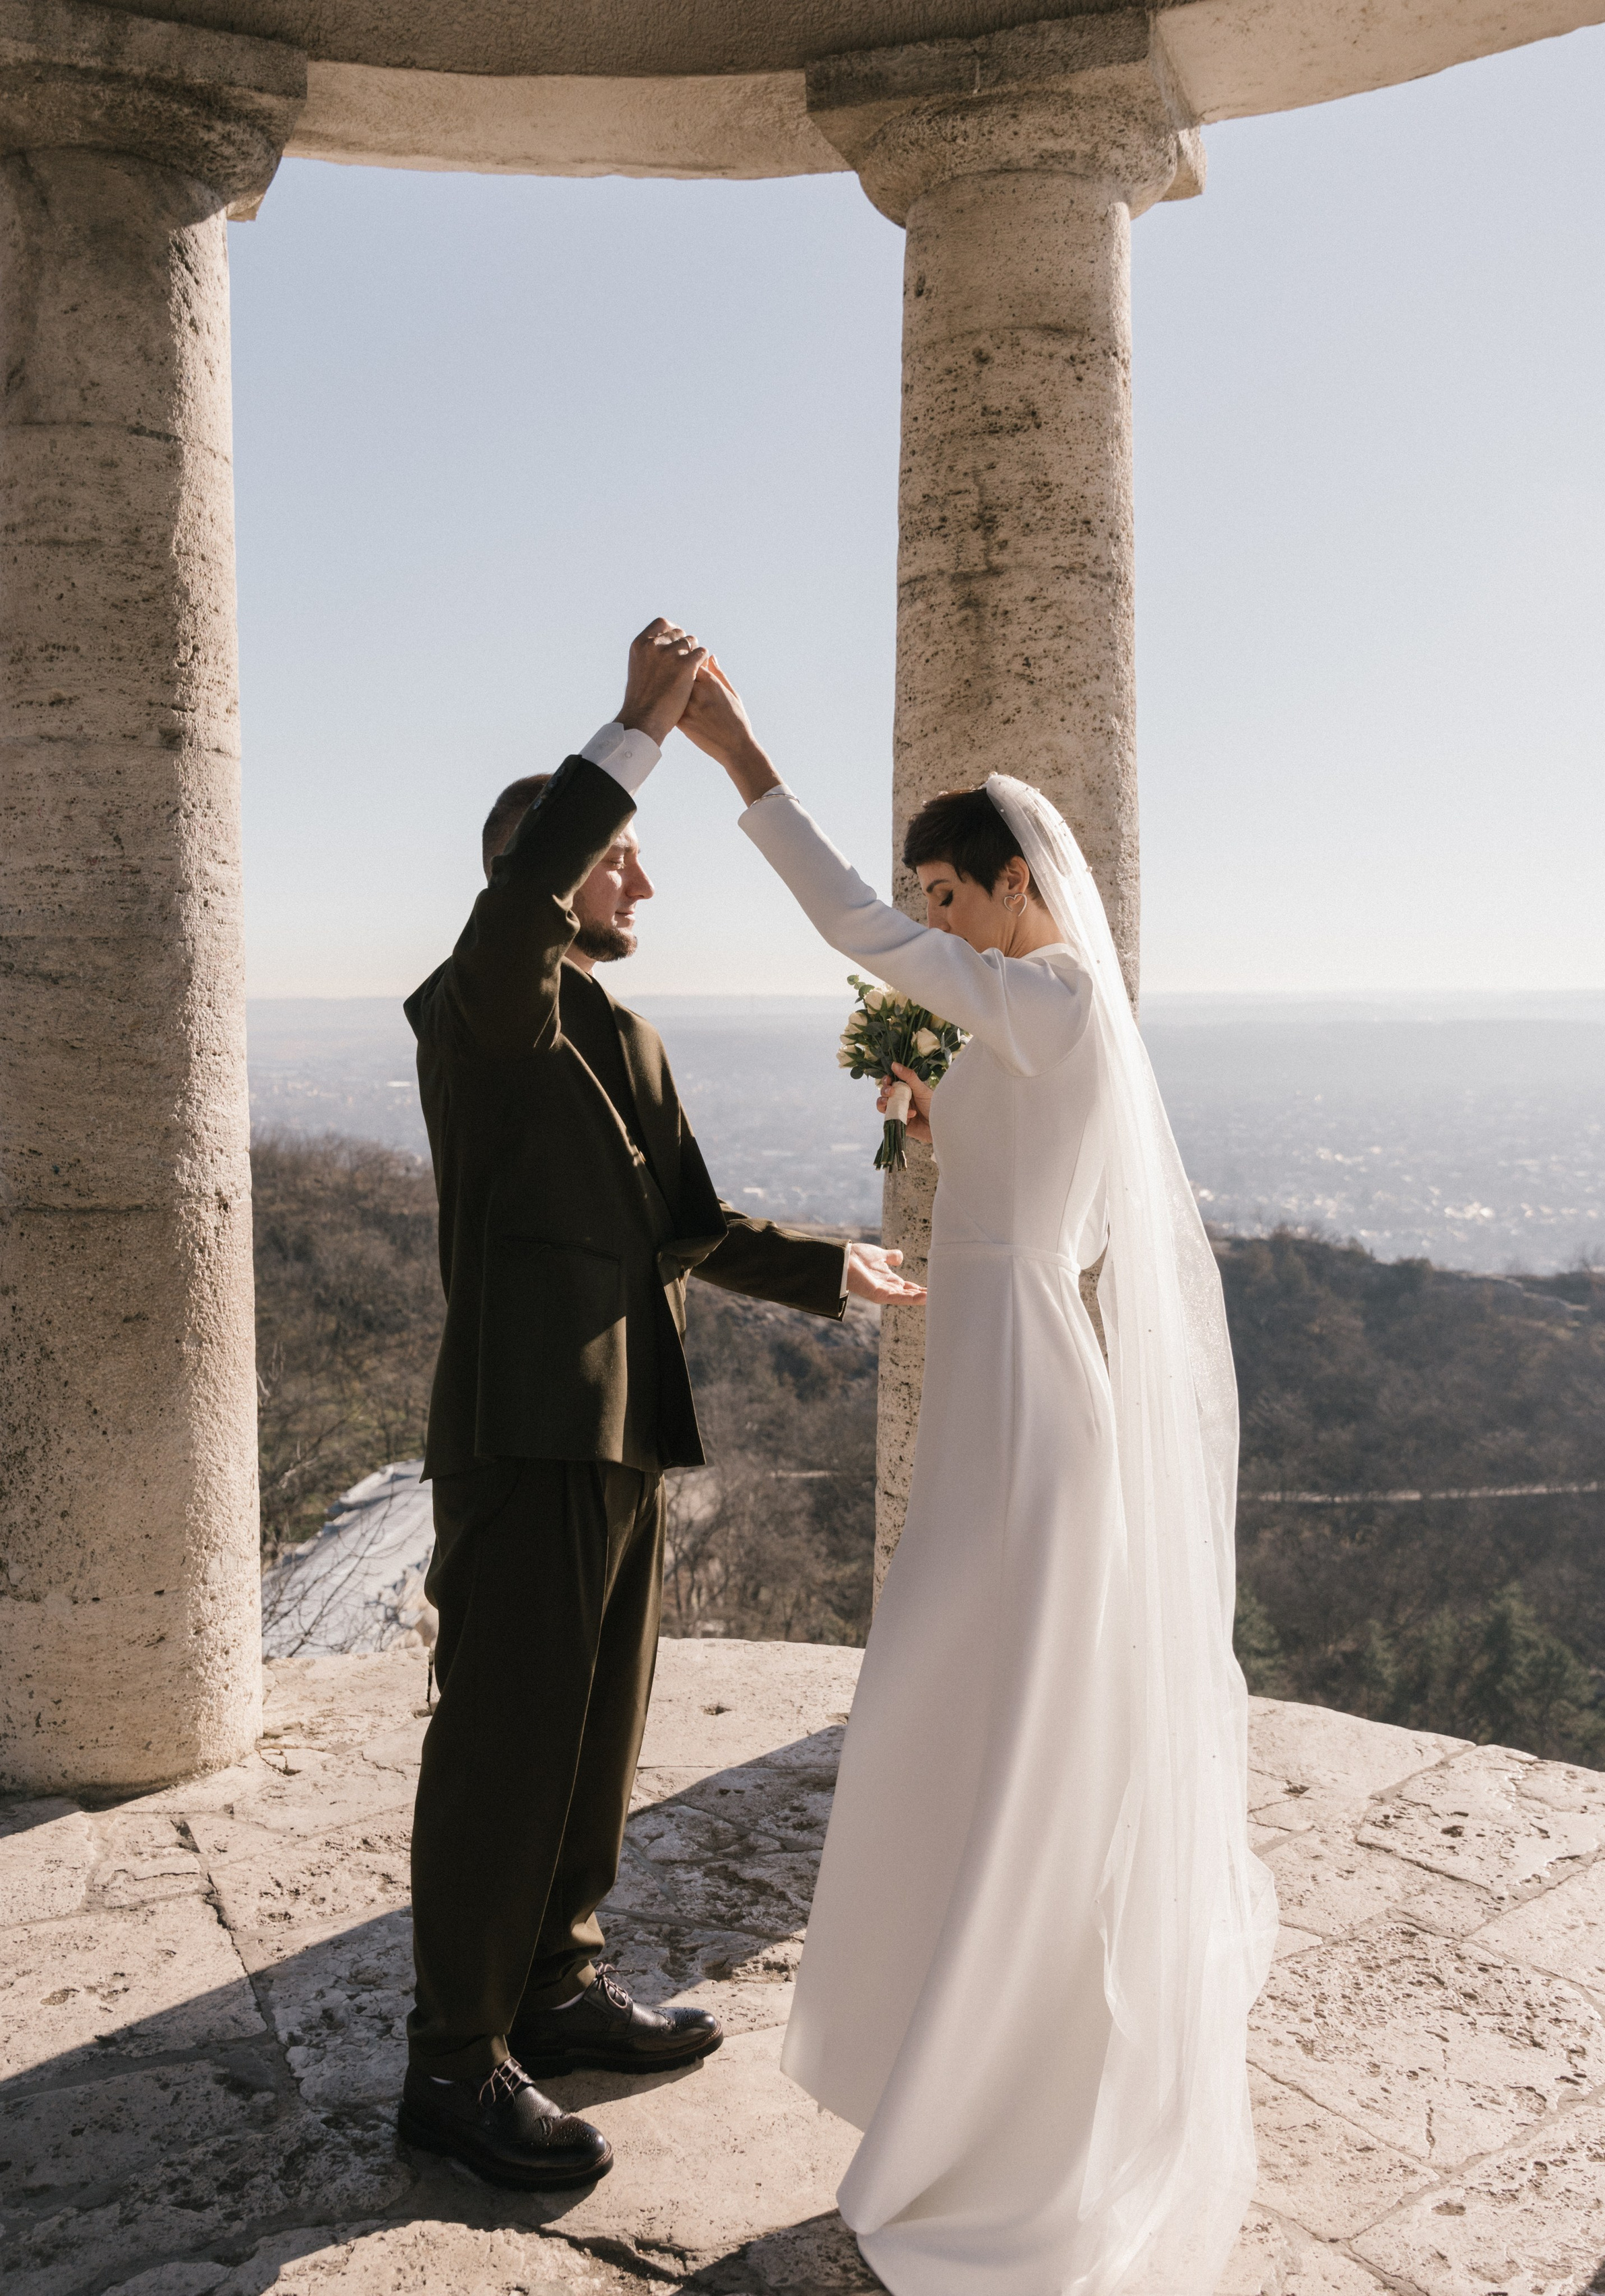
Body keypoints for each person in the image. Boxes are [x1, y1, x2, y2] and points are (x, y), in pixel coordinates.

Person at [678, 657, 1278, 2296]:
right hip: (994, 1376)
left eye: (948, 894)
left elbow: (856, 929)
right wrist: (930, 1113)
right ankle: (950, 2055)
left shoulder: (1060, 992)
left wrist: (743, 763)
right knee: (954, 1703)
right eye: (929, 899)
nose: (932, 922)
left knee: (1011, 1727)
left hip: (1029, 1399)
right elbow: (1012, 1165)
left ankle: (1001, 2105)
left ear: (1017, 883)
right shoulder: (1025, 1018)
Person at [396, 619, 925, 2192]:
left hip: (627, 1433)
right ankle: (451, 2064)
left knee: (592, 1734)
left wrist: (833, 1271)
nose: (642, 881)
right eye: (620, 857)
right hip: (522, 1429)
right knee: (503, 1745)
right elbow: (514, 914)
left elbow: (684, 1224)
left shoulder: (625, 1032)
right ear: (554, 871)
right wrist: (629, 733)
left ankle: (553, 1988)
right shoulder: (479, 1006)